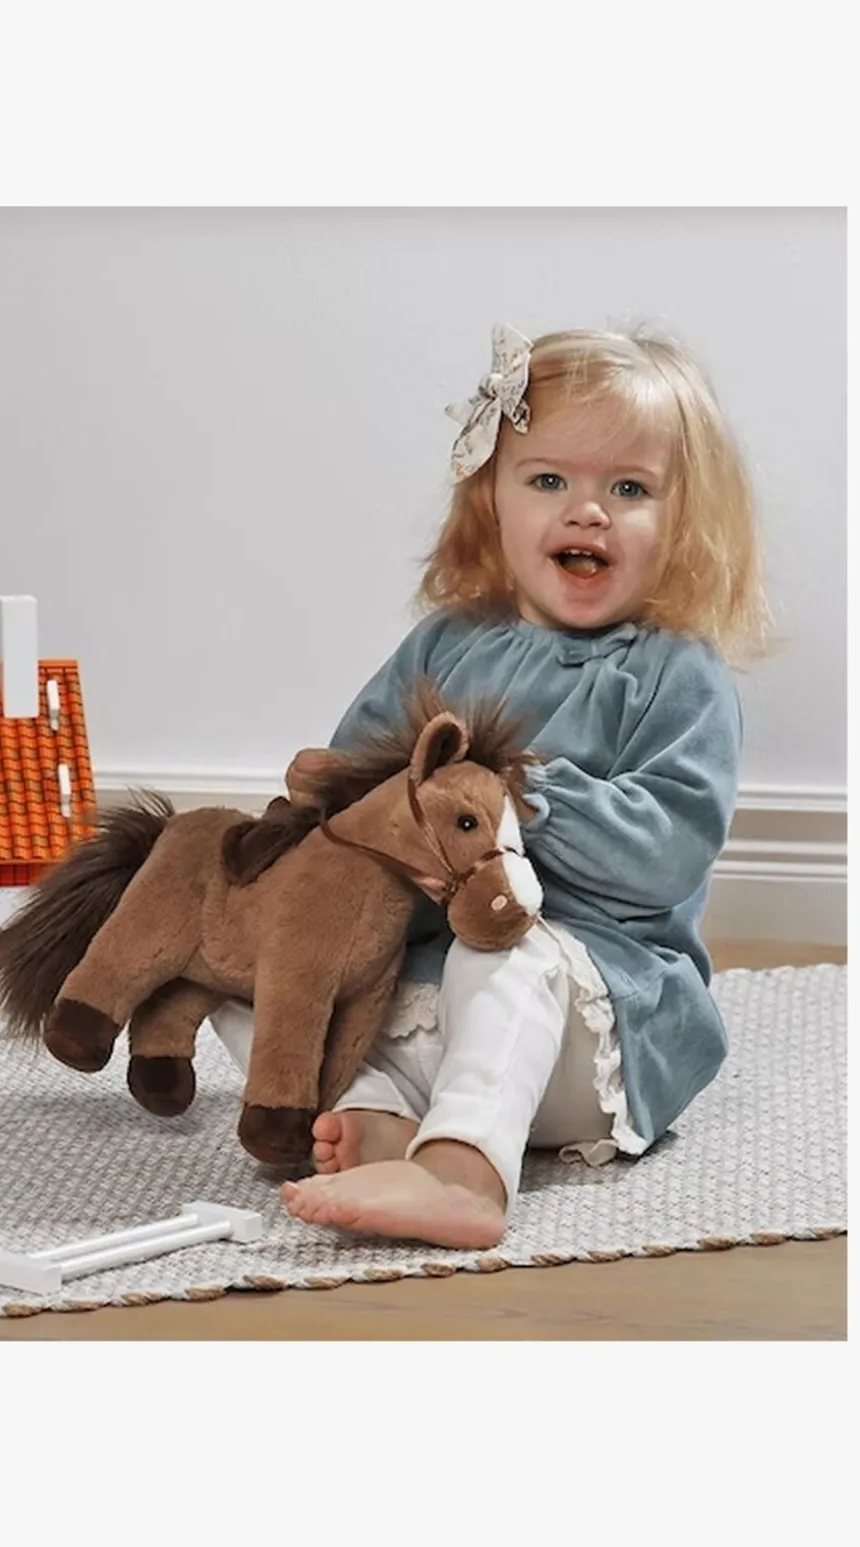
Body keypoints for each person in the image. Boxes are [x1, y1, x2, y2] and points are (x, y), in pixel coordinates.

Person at [210, 323, 770, 1250]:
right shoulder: (447, 643)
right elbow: (355, 788)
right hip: (419, 1008)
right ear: (492, 501)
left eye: (629, 489)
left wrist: (516, 799)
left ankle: (464, 1173)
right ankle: (378, 1116)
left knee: (504, 948)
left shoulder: (677, 672)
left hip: (582, 1025)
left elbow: (667, 854)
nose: (586, 513)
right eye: (548, 480)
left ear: (686, 523)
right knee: (244, 957)